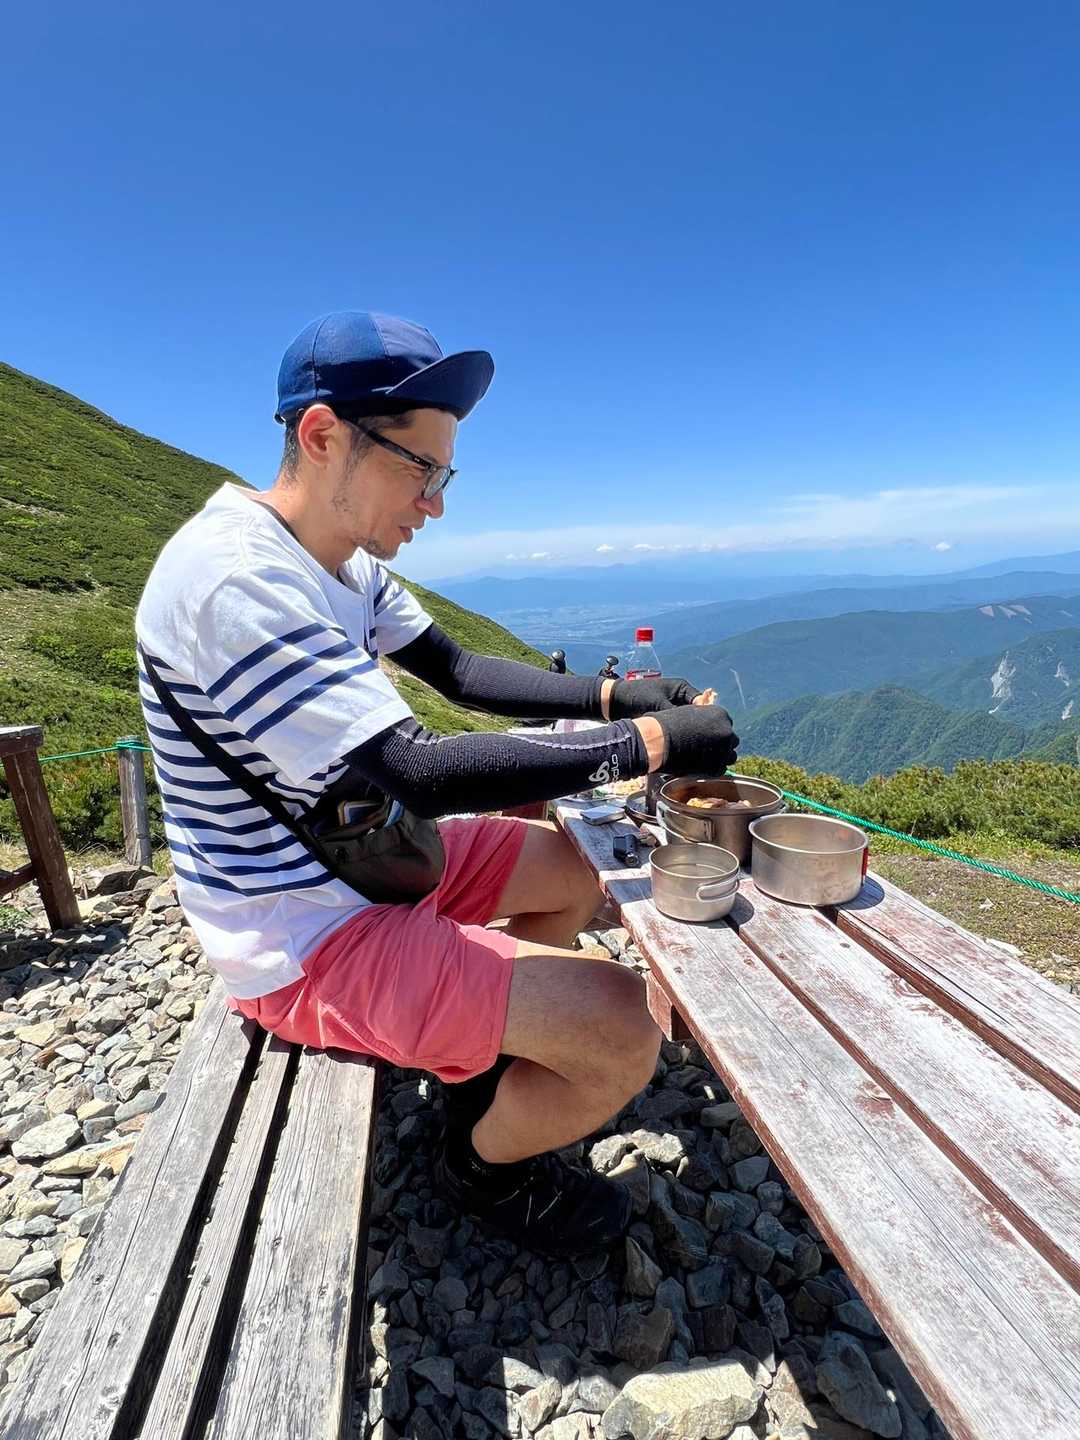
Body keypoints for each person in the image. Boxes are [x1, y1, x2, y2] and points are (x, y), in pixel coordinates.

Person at [135, 310, 739, 1256]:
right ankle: (482, 1171)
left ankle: (477, 1047)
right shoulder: (234, 581)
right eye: (420, 468)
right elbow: (416, 770)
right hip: (300, 934)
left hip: (365, 859)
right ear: (323, 435)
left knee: (572, 873)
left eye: (443, 475)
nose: (436, 504)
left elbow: (458, 671)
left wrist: (615, 694)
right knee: (628, 1028)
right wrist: (653, 742)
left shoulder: (338, 562)